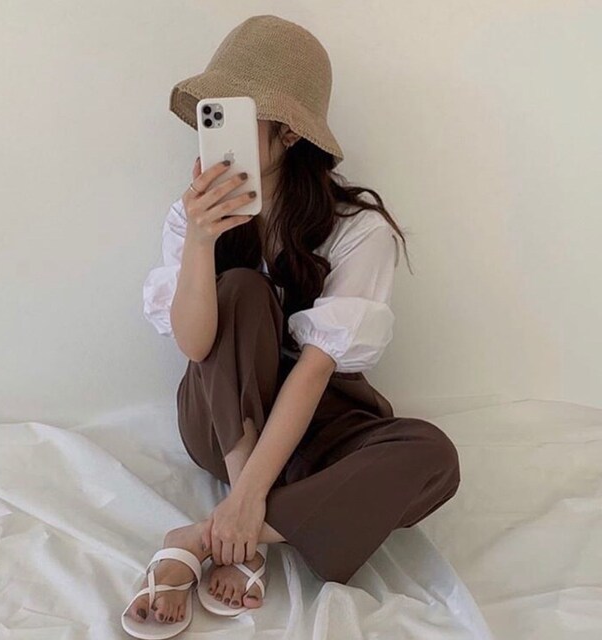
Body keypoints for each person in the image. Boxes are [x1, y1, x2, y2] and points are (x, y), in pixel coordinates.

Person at [125, 14, 461, 632]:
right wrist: (200, 241)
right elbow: (195, 345)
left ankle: (210, 534)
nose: (216, 133)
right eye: (213, 114)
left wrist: (246, 504)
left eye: (237, 114)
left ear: (287, 133)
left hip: (314, 426)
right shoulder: (190, 217)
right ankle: (245, 526)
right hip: (221, 422)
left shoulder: (358, 229)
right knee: (241, 289)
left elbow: (314, 371)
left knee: (433, 457)